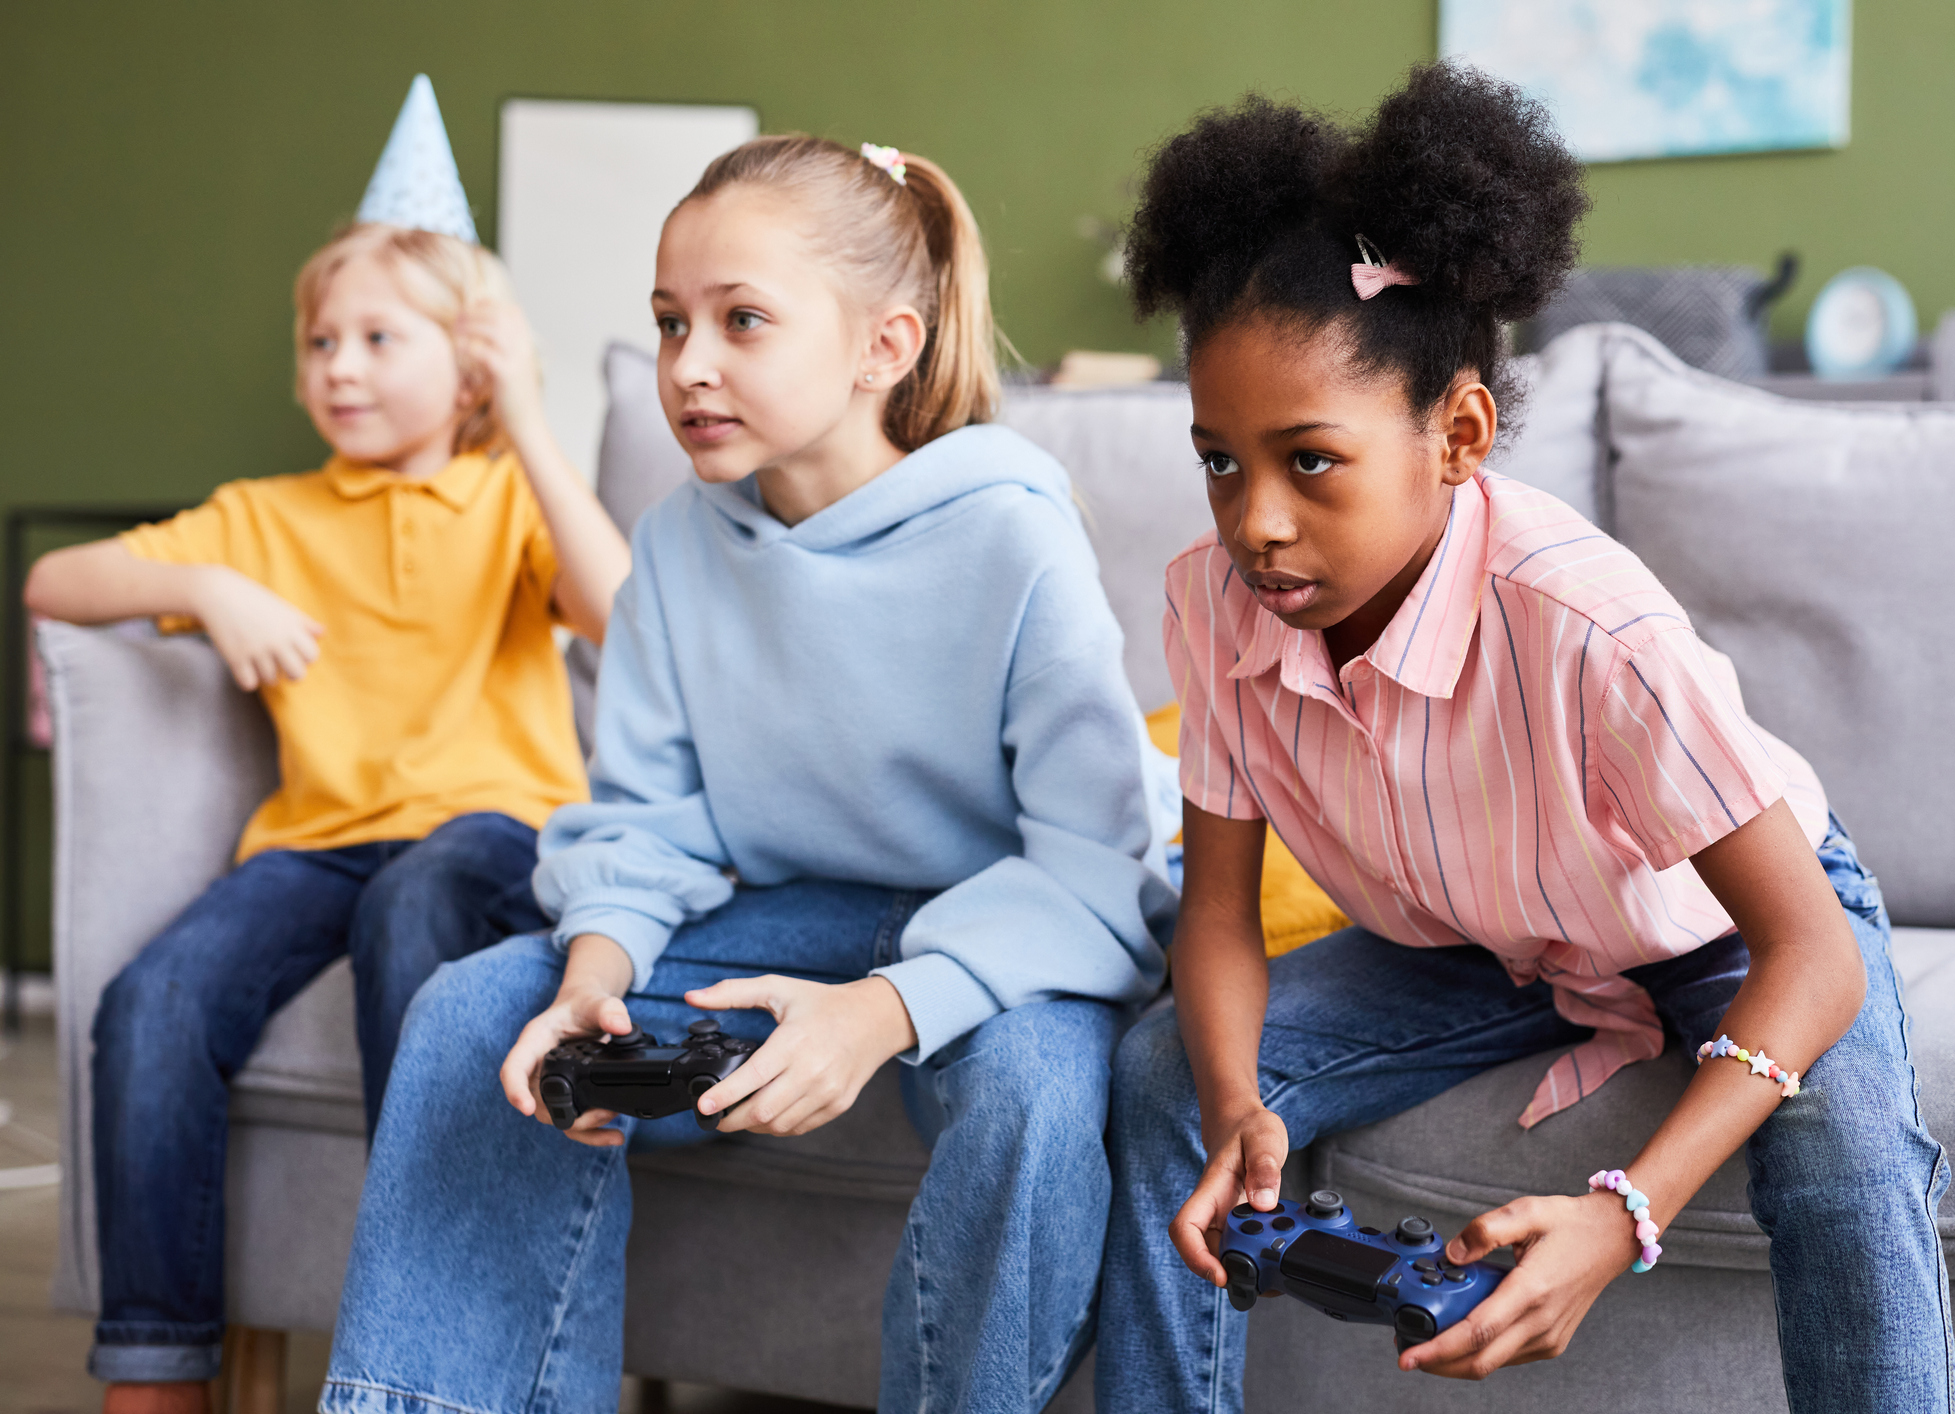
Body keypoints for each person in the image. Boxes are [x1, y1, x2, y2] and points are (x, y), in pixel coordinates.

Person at [1095, 65, 1954, 1414]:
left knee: (1841, 1148)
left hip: (1708, 931)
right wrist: (1232, 1100)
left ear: (1459, 435)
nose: (1253, 520)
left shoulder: (1581, 622)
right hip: (1480, 946)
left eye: (1308, 460)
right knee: (1155, 1065)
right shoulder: (1212, 605)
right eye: (1220, 461)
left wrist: (1623, 1212)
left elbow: (1813, 953)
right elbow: (1216, 914)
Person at [320, 135, 1175, 1414]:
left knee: (1041, 1102)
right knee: (468, 1012)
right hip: (790, 906)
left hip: (1006, 921)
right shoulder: (676, 543)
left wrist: (883, 1011)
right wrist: (593, 976)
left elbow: (1094, 865)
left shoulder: (1012, 532)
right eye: (669, 323)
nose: (689, 365)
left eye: (742, 321)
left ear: (884, 346)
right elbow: (647, 823)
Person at [24, 212, 631, 1408]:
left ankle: (425, 1347)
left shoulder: (507, 498)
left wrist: (523, 422)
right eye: (318, 341)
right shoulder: (263, 518)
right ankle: (156, 1368)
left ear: (467, 367)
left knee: (413, 906)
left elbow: (622, 614)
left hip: (493, 833)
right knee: (153, 1001)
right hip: (318, 840)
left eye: (374, 338)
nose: (337, 366)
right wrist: (199, 583)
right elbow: (52, 581)